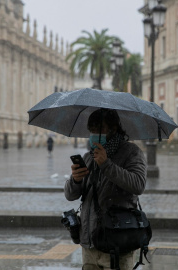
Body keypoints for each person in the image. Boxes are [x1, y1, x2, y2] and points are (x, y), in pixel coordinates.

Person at [64, 108, 147, 270]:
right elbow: (69, 195)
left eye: (99, 129)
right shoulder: (89, 157)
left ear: (113, 128)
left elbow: (138, 184)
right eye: (92, 130)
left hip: (117, 242)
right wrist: (75, 179)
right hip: (89, 243)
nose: (94, 134)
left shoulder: (131, 153)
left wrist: (107, 164)